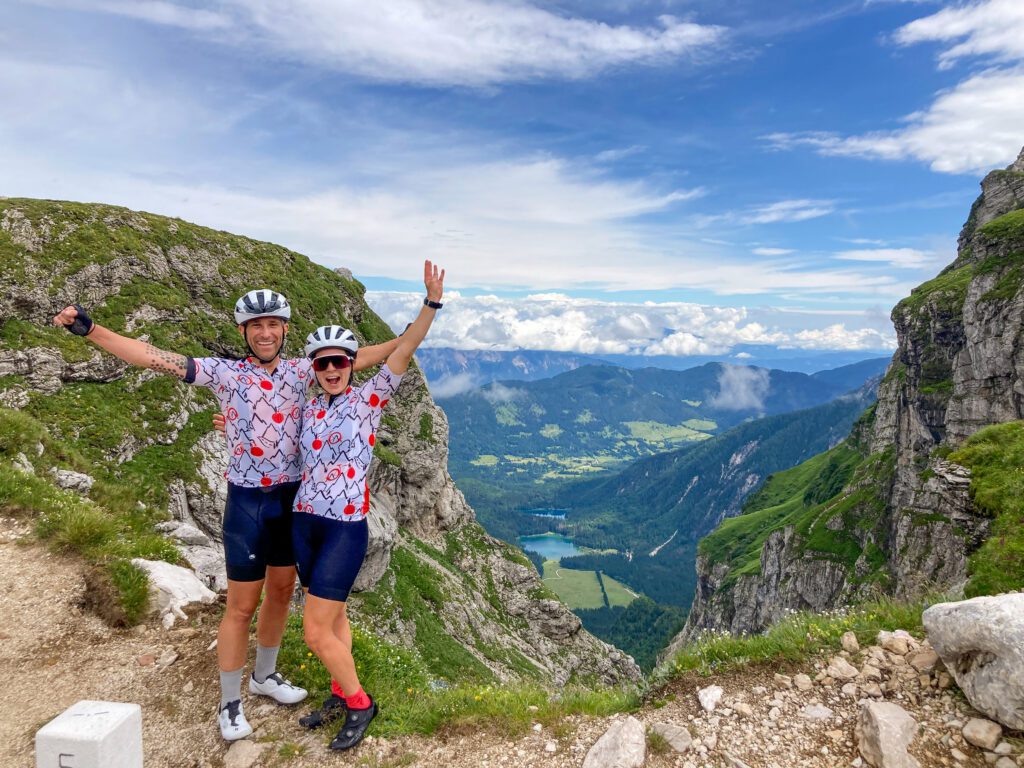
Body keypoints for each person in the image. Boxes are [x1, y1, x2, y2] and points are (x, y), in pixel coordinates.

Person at [52, 291, 399, 741]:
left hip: (294, 501)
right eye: (256, 326)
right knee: (240, 606)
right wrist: (90, 328)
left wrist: (413, 331)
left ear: (285, 330)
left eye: (273, 324)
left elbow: (356, 357)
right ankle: (230, 702)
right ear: (244, 332)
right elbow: (154, 358)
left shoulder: (304, 369)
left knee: (280, 591)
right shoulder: (225, 372)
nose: (266, 332)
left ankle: (265, 677)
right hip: (249, 504)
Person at [294, 260, 444, 751]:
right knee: (335, 621)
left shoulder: (369, 399)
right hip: (305, 524)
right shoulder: (308, 405)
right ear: (314, 369)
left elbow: (405, 346)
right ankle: (340, 690)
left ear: (352, 366)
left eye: (341, 361)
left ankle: (360, 702)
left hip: (344, 529)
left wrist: (430, 303)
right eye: (323, 363)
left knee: (315, 632)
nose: (333, 370)